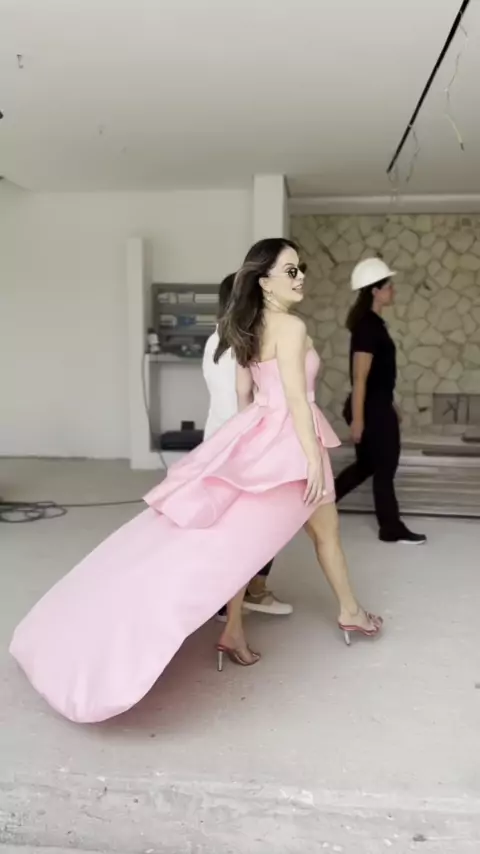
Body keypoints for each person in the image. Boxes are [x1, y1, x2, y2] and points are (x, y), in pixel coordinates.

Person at [10, 238, 382, 725]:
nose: (301, 277)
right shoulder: (291, 327)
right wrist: (312, 458)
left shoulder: (249, 328)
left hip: (263, 436)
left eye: (302, 268)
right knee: (314, 536)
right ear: (264, 281)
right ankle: (348, 612)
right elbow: (295, 398)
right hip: (294, 442)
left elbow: (245, 395)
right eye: (291, 271)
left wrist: (245, 444)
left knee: (237, 544)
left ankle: (241, 629)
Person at [203, 272, 292, 620]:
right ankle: (250, 591)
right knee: (266, 521)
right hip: (243, 448)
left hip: (217, 445)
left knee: (231, 527)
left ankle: (226, 599)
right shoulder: (247, 345)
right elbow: (250, 400)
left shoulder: (215, 340)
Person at [335, 257, 427, 545]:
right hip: (372, 411)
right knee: (385, 467)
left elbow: (377, 376)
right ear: (375, 291)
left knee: (366, 465)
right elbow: (360, 377)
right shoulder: (367, 327)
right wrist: (358, 420)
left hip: (377, 406)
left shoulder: (373, 324)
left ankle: (316, 505)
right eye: (388, 286)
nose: (393, 290)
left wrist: (391, 403)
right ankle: (391, 528)